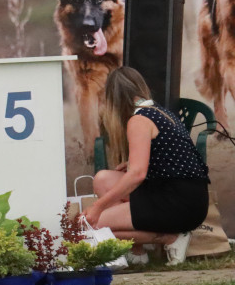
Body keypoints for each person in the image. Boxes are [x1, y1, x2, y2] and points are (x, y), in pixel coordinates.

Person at [84, 66, 210, 266]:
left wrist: (98, 207)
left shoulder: (139, 120)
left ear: (113, 99)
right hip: (187, 197)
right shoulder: (157, 111)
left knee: (97, 224)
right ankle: (137, 252)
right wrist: (133, 162)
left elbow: (137, 175)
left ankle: (172, 238)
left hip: (178, 203)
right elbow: (168, 156)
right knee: (103, 179)